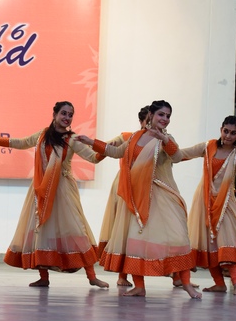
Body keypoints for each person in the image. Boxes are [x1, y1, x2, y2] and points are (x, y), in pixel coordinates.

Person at [0, 101, 108, 289]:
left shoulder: (73, 139)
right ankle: (43, 277)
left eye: (70, 115)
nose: (67, 118)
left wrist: (105, 148)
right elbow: (21, 143)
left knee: (77, 231)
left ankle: (92, 277)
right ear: (54, 114)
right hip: (40, 189)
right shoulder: (42, 135)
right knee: (41, 231)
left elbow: (93, 158)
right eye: (63, 113)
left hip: (63, 191)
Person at [78, 100, 201, 299]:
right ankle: (139, 286)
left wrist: (164, 139)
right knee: (136, 242)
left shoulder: (167, 139)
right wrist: (91, 142)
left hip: (162, 196)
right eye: (161, 114)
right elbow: (116, 152)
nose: (165, 119)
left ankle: (186, 284)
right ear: (151, 115)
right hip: (137, 198)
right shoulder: (136, 136)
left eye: (168, 116)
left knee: (178, 239)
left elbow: (177, 157)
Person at [181, 116, 236, 295]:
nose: (228, 136)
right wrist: (164, 144)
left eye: (233, 133)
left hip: (225, 203)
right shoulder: (208, 146)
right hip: (204, 201)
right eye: (226, 131)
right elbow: (183, 154)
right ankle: (219, 283)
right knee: (210, 244)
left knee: (227, 242)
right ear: (221, 130)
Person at [96, 105, 149, 287]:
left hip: (146, 188)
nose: (150, 125)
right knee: (124, 230)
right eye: (147, 121)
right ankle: (122, 276)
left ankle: (177, 276)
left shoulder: (158, 140)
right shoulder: (127, 137)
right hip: (125, 186)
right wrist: (91, 146)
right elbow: (106, 148)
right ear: (141, 121)